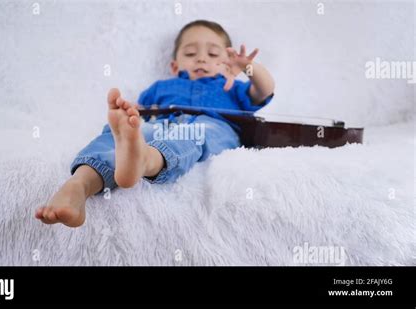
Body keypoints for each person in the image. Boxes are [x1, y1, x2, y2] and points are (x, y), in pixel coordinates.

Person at [35, 19, 275, 227]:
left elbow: (265, 90)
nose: (201, 58)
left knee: (194, 136)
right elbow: (144, 113)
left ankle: (146, 159)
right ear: (174, 65)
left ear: (226, 63)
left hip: (213, 126)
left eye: (213, 54)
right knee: (122, 133)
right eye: (190, 54)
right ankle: (80, 184)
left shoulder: (233, 87)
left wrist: (247, 66)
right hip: (161, 122)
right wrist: (133, 116)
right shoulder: (161, 87)